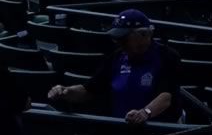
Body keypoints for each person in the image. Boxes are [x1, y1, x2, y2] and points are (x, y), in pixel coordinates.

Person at [47, 10, 181, 124]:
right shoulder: (116, 56)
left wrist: (144, 113)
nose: (119, 43)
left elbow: (166, 96)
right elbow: (89, 89)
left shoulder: (167, 56)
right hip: (121, 130)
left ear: (144, 35)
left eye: (124, 39)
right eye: (116, 39)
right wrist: (65, 91)